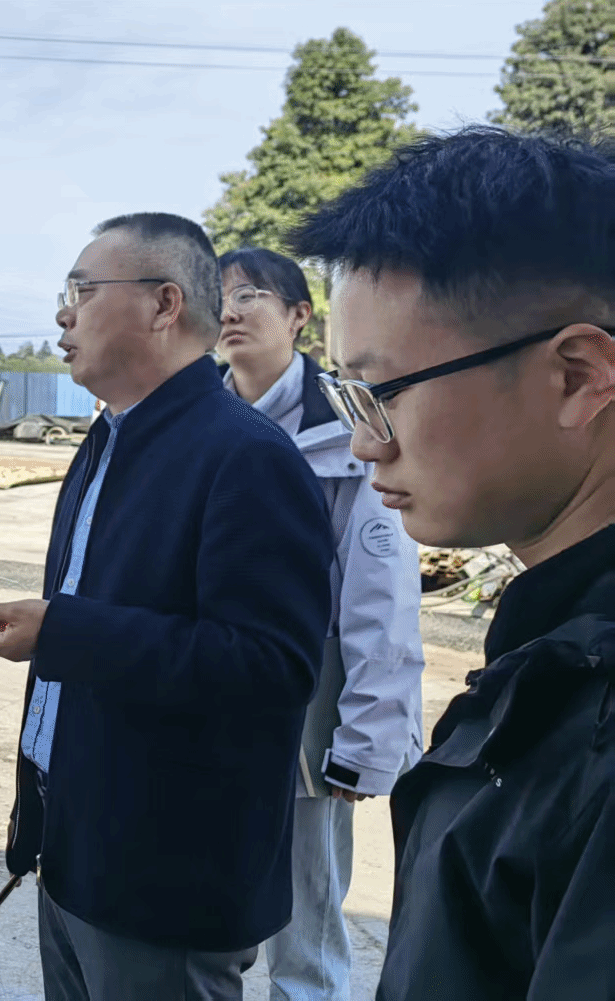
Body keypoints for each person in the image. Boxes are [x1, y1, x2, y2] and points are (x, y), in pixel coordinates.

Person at [0, 213, 334, 1001]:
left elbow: (272, 666)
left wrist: (64, 631)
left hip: (165, 885)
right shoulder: (106, 441)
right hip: (76, 852)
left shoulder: (246, 457)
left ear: (165, 304)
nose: (63, 314)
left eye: (82, 291)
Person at [293, 126, 615, 1000]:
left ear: (578, 376)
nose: (365, 443)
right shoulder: (554, 649)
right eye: (347, 397)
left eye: (383, 393)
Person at [217, 246, 424, 1001]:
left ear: (299, 316)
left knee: (304, 931)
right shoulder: (197, 418)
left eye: (250, 296)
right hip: (208, 701)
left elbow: (381, 594)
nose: (230, 311)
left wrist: (366, 741)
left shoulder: (343, 427)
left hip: (307, 715)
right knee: (210, 911)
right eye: (220, 297)